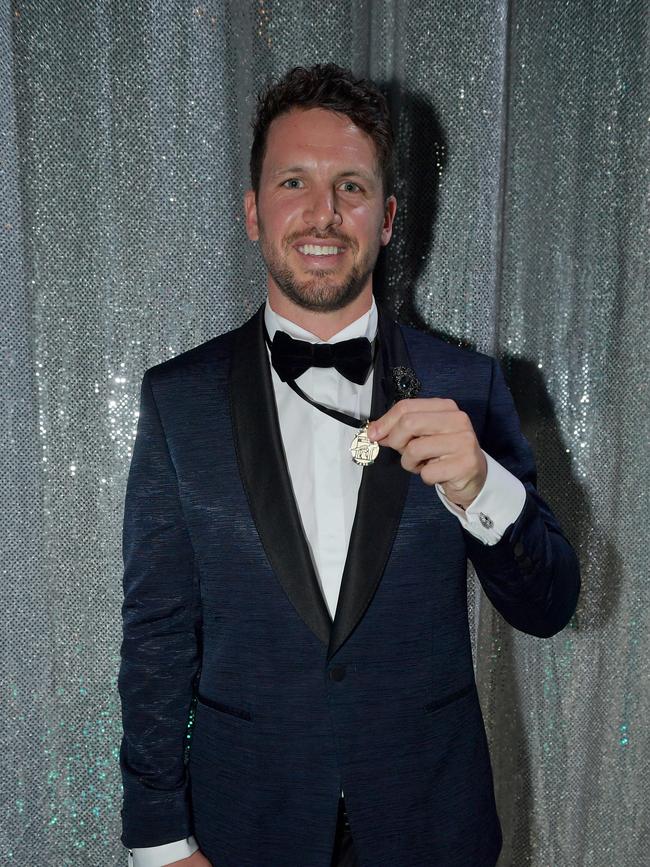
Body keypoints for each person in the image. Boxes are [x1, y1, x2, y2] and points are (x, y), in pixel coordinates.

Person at [118, 63, 581, 867]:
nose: (323, 213)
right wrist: (157, 837)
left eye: (353, 187)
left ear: (390, 217)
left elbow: (549, 604)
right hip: (242, 828)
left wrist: (482, 488)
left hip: (432, 826)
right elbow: (158, 637)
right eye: (294, 181)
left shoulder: (468, 387)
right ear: (253, 212)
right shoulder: (176, 399)